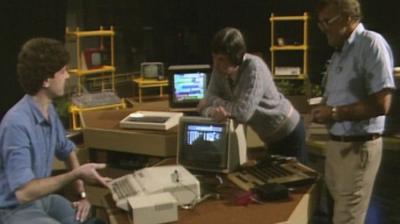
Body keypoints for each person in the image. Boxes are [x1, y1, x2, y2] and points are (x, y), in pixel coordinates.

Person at [0, 37, 111, 224]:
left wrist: (82, 195)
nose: (68, 76)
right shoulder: (16, 124)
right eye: (63, 71)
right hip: (12, 207)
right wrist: (76, 174)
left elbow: (67, 151)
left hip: (41, 200)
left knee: (85, 219)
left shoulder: (48, 109)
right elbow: (24, 192)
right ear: (45, 80)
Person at [311, 0, 396, 223]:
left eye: (327, 21)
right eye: (320, 23)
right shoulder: (339, 53)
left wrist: (335, 113)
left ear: (348, 18)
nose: (323, 28)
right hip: (336, 149)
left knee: (346, 219)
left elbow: (383, 104)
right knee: (337, 216)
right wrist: (324, 111)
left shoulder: (370, 44)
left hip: (358, 150)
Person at [197, 27, 307, 163]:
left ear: (236, 57)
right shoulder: (219, 71)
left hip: (289, 131)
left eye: (221, 59)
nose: (216, 64)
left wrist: (213, 101)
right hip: (269, 138)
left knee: (298, 181)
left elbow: (242, 113)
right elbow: (201, 107)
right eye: (214, 58)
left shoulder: (254, 68)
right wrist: (213, 113)